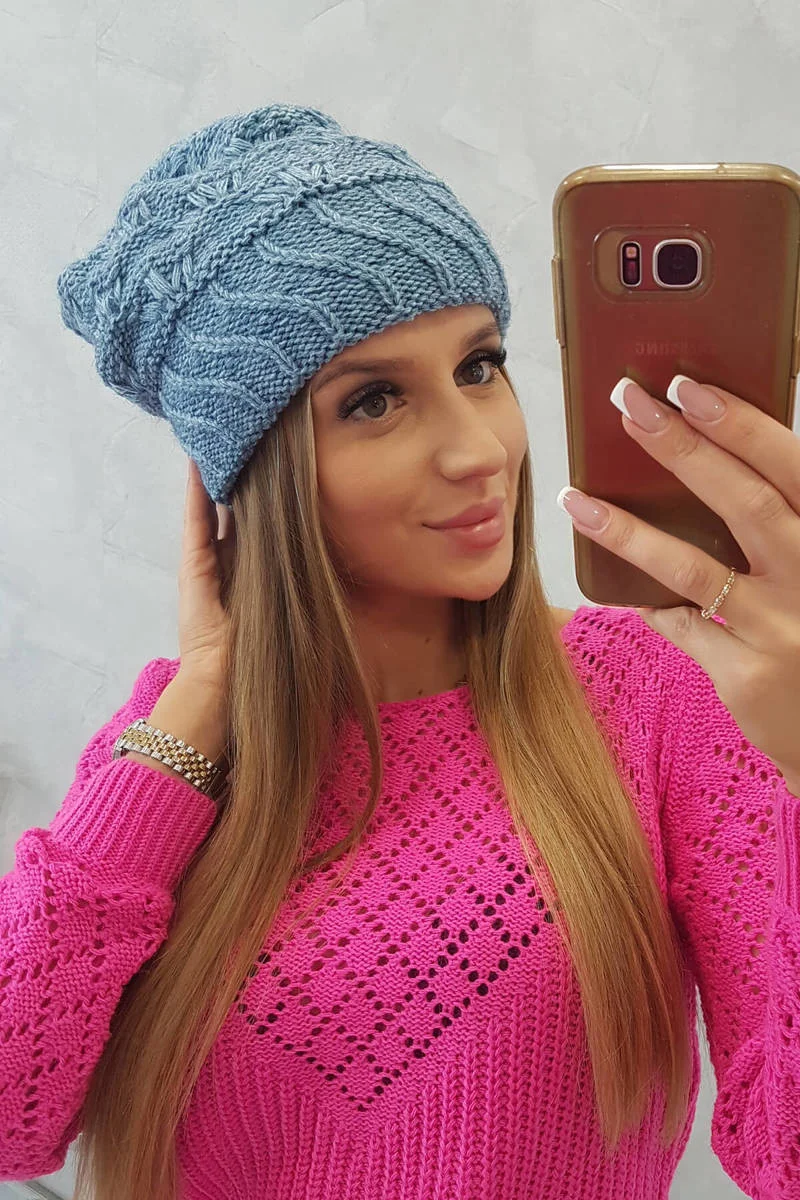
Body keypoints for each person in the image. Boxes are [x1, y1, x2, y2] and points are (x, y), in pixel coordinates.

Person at [0, 104, 794, 1200]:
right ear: (256, 471)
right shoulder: (169, 747)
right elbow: (14, 1119)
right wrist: (202, 702)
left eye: (480, 366)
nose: (479, 451)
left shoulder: (648, 694)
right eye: (375, 400)